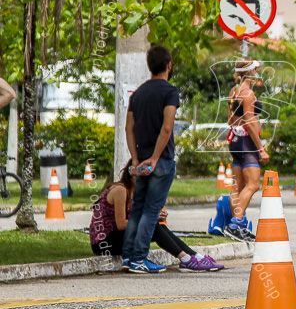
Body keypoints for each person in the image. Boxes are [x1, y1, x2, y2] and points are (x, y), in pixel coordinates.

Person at [90, 163, 223, 271]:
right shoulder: (121, 190)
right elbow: (121, 224)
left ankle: (194, 256)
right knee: (151, 224)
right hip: (104, 243)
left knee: (155, 225)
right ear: (131, 174)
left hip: (121, 238)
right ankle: (186, 259)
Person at [124, 45, 180, 273]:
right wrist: (156, 158)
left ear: (149, 66)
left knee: (138, 208)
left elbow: (129, 129)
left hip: (141, 160)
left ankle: (129, 256)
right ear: (169, 65)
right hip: (161, 161)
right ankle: (139, 258)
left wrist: (136, 159)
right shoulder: (170, 92)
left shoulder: (138, 94)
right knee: (152, 211)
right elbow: (167, 128)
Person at [224, 57, 269, 242]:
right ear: (249, 72)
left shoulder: (234, 91)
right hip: (246, 142)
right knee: (253, 184)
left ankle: (236, 227)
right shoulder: (248, 94)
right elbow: (250, 123)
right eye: (255, 69)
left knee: (238, 186)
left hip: (235, 140)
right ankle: (236, 223)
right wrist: (261, 148)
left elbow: (229, 119)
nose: (256, 72)